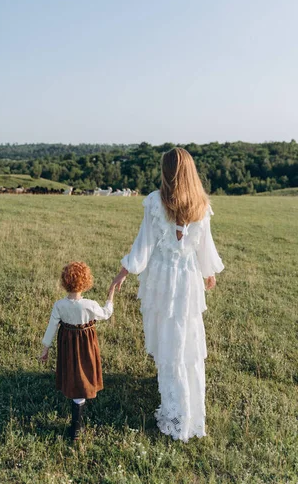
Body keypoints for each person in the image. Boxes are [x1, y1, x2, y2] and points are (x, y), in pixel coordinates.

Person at [112, 147, 224, 442]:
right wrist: (207, 271)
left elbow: (144, 246)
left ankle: (178, 413)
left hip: (162, 282)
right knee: (184, 340)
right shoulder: (202, 205)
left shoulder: (154, 203)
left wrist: (125, 271)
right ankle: (185, 407)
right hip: (186, 282)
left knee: (169, 340)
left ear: (167, 174)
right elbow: (205, 249)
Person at [40, 261, 115, 441]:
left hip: (68, 346)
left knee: (73, 372)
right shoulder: (89, 304)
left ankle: (76, 424)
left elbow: (51, 327)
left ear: (65, 282)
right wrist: (110, 296)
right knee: (84, 373)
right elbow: (106, 314)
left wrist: (45, 349)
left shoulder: (59, 305)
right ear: (86, 282)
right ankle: (77, 426)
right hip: (86, 346)